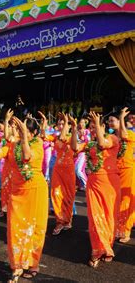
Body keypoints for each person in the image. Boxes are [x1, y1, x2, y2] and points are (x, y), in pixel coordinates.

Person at [0, 113, 49, 281]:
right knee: (15, 229)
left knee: (35, 229)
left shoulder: (38, 143)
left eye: (20, 129)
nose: (16, 131)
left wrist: (23, 136)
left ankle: (33, 263)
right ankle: (17, 264)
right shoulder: (13, 145)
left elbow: (27, 156)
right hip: (17, 192)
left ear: (31, 133)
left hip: (35, 190)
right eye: (17, 129)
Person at [69, 112, 120, 268]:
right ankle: (97, 250)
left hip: (109, 183)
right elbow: (74, 147)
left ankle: (107, 247)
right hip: (93, 183)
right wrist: (73, 128)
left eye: (95, 127)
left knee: (109, 215)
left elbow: (103, 144)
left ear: (102, 126)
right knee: (95, 216)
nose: (92, 131)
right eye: (90, 128)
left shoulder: (113, 139)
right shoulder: (89, 144)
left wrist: (98, 124)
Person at [108, 107, 134, 244]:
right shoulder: (112, 137)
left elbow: (124, 136)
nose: (110, 123)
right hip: (115, 171)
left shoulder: (129, 133)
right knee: (116, 201)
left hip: (128, 170)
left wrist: (123, 118)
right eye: (109, 121)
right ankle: (118, 228)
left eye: (113, 120)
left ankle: (126, 230)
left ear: (119, 121)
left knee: (126, 201)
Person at [48, 113, 76, 235]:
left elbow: (66, 139)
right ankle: (59, 221)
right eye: (59, 123)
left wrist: (67, 123)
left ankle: (67, 219)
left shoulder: (72, 137)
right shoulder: (55, 137)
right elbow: (45, 136)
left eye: (64, 123)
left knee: (68, 195)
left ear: (70, 126)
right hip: (57, 169)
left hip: (69, 170)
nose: (61, 125)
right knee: (56, 194)